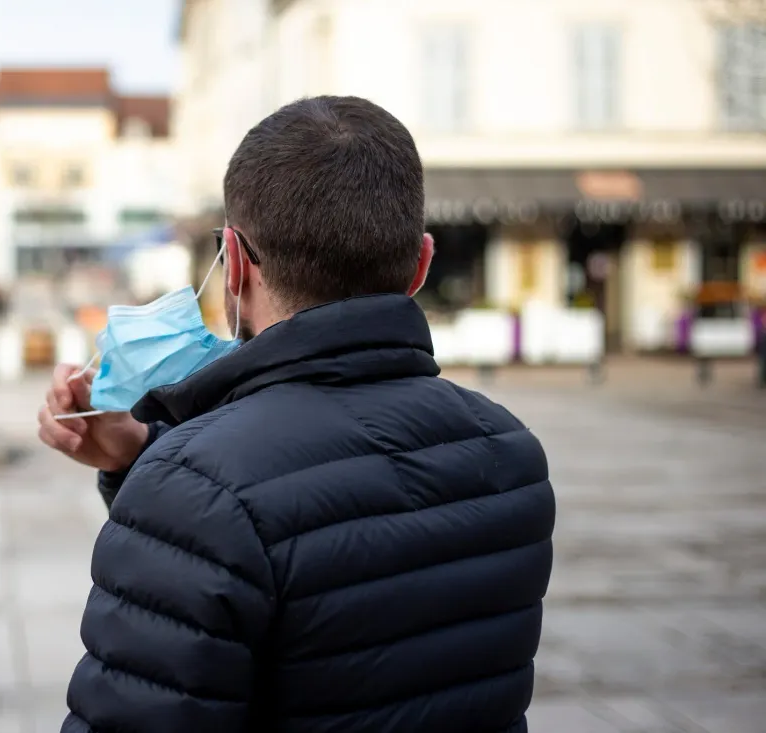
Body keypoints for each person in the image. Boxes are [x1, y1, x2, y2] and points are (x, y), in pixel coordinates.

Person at [39, 96, 555, 733]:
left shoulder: (195, 488)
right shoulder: (511, 453)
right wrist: (142, 456)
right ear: (421, 263)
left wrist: (165, 476)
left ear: (232, 261)